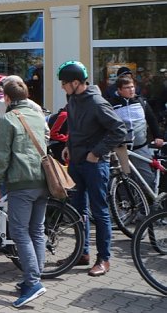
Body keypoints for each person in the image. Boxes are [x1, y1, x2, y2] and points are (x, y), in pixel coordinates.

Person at [59, 60, 126, 277]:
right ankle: (82, 253)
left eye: (64, 83)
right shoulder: (73, 98)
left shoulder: (97, 103)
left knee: (99, 212)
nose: (62, 87)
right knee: (78, 211)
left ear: (76, 82)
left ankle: (104, 259)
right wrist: (68, 145)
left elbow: (119, 130)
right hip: (76, 162)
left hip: (95, 165)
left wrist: (96, 152)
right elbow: (74, 126)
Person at [0, 76, 49, 308]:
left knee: (20, 233)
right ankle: (34, 277)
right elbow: (46, 139)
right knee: (37, 230)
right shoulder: (38, 115)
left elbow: (2, 156)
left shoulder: (8, 120)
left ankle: (33, 282)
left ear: (6, 98)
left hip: (21, 182)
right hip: (43, 180)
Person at [109, 74, 163, 188]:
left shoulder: (141, 101)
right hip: (121, 149)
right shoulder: (111, 104)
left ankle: (149, 199)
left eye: (132, 87)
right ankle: (130, 199)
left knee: (147, 179)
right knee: (125, 180)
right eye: (127, 88)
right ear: (119, 90)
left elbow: (152, 119)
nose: (131, 90)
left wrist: (158, 136)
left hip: (140, 147)